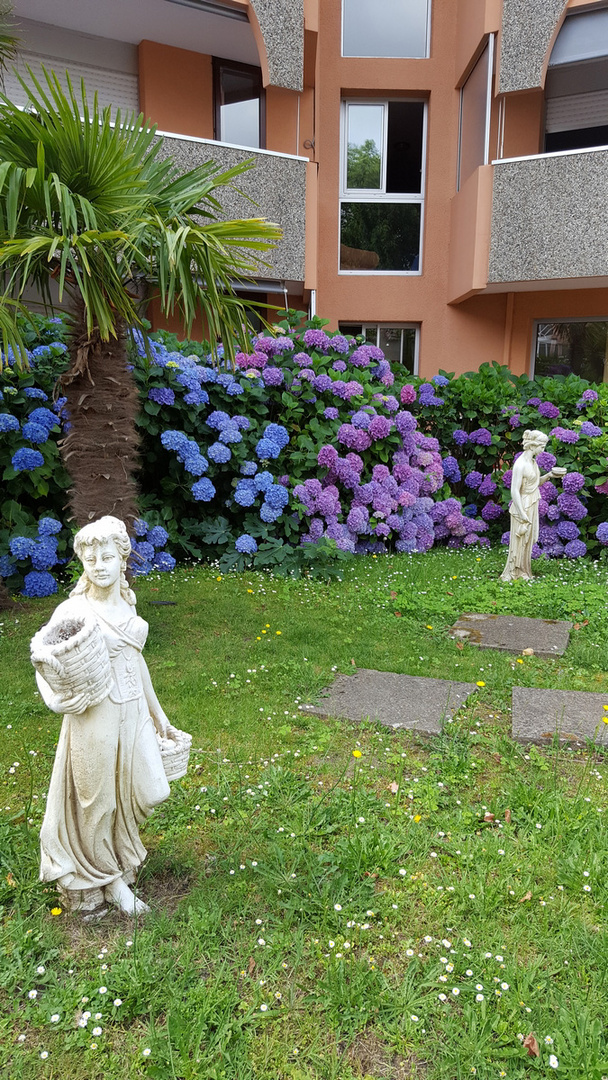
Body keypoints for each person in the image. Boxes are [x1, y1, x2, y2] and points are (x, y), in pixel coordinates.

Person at [34, 516, 173, 915]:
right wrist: (54, 701)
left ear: (122, 559)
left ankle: (115, 861)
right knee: (98, 802)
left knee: (148, 790)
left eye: (107, 556)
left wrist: (158, 713)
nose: (98, 565)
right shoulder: (74, 608)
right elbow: (42, 659)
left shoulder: (127, 602)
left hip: (132, 708)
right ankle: (110, 883)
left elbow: (136, 658)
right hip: (94, 713)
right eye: (91, 557)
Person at [501, 430, 565, 582]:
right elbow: (514, 491)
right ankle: (513, 572)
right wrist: (522, 513)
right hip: (522, 505)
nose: (543, 450)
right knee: (520, 539)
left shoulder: (532, 462)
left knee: (528, 540)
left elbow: (534, 484)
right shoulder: (520, 464)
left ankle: (524, 571)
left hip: (532, 501)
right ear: (532, 446)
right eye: (541, 447)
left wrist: (549, 476)